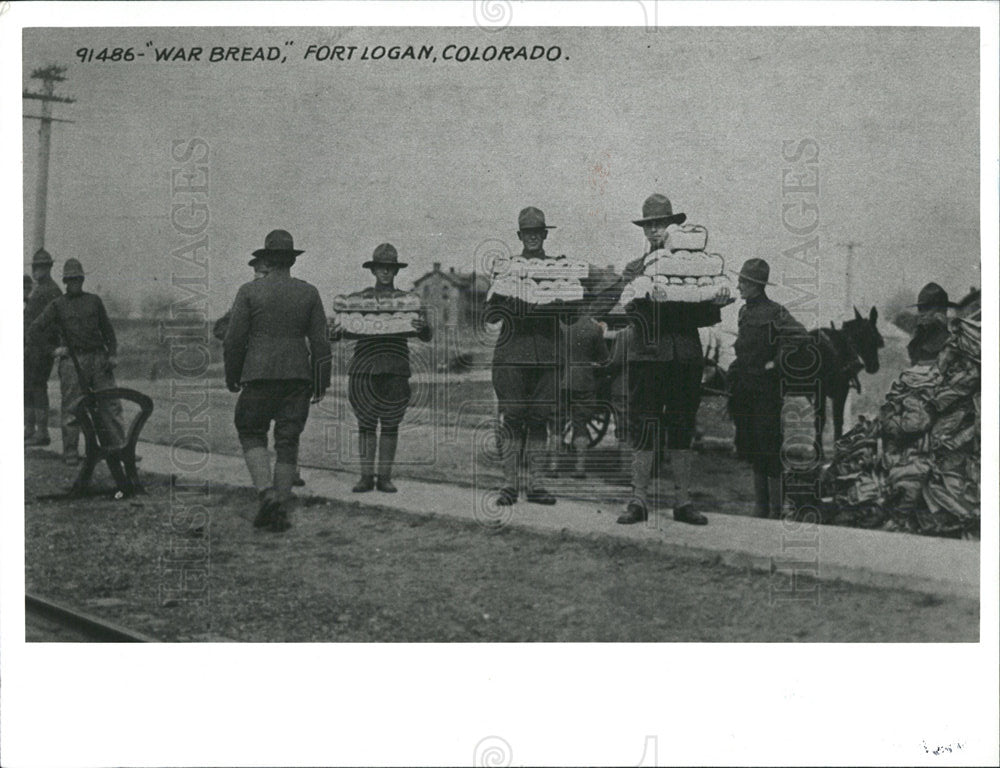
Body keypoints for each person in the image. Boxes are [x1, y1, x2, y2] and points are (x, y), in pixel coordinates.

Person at [615, 194, 730, 526]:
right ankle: (638, 501)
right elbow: (629, 312)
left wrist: (716, 301)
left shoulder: (696, 269)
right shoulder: (636, 269)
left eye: (661, 224)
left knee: (682, 427)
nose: (654, 231)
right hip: (647, 357)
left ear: (673, 228)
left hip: (684, 356)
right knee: (644, 426)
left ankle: (683, 502)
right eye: (649, 225)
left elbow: (707, 314)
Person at [223, 230, 331, 532]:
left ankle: (266, 494)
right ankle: (280, 506)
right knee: (288, 440)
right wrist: (321, 382)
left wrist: (233, 375)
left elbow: (233, 341)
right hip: (297, 376)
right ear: (292, 260)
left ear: (267, 259)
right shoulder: (309, 293)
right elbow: (321, 343)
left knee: (251, 430)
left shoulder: (248, 291)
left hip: (257, 376)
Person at [329, 243, 432, 493]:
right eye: (381, 268)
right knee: (365, 423)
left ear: (395, 271)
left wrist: (422, 327)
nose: (385, 273)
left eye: (389, 268)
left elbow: (426, 334)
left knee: (390, 423)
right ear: (373, 270)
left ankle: (384, 476)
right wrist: (333, 332)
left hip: (396, 369)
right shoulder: (359, 299)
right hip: (364, 369)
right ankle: (366, 476)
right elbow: (338, 332)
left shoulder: (408, 301)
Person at [486, 207, 564, 506]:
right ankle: (509, 484)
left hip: (547, 356)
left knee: (539, 421)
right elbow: (490, 316)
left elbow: (570, 316)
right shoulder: (506, 268)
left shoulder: (559, 270)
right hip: (512, 357)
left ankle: (536, 485)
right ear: (520, 236)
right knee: (513, 418)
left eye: (537, 233)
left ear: (545, 235)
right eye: (527, 233)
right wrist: (512, 298)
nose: (532, 238)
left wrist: (556, 301)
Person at [728, 258, 809, 519]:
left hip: (766, 390)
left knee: (769, 446)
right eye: (739, 280)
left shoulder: (776, 312)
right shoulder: (743, 312)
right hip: (745, 388)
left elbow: (799, 334)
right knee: (752, 446)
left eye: (743, 282)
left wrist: (777, 360)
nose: (738, 286)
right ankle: (759, 508)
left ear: (756, 285)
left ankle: (776, 510)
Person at [28, 258, 125, 465]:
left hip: (99, 360)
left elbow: (108, 330)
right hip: (73, 362)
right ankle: (70, 452)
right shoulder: (57, 305)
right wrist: (53, 350)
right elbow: (34, 330)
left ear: (82, 279)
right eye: (70, 279)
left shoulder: (94, 301)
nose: (74, 283)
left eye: (78, 279)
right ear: (65, 281)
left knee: (110, 405)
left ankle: (120, 449)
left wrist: (112, 354)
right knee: (72, 409)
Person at [549, 314, 609, 478]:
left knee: (556, 424)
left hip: (560, 380)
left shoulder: (558, 325)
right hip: (584, 381)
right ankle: (579, 468)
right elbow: (604, 359)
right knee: (581, 424)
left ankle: (553, 466)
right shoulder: (594, 328)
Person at [23, 249, 63, 446]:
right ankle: (29, 429)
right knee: (27, 387)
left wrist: (49, 348)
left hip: (41, 349)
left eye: (42, 267)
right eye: (36, 267)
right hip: (29, 348)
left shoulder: (52, 290)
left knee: (38, 387)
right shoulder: (39, 289)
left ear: (49, 268)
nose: (38, 270)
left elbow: (55, 323)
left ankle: (42, 432)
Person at [907, 282, 956, 365]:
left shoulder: (957, 339)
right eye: (920, 309)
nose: (922, 314)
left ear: (942, 310)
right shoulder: (919, 336)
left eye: (927, 308)